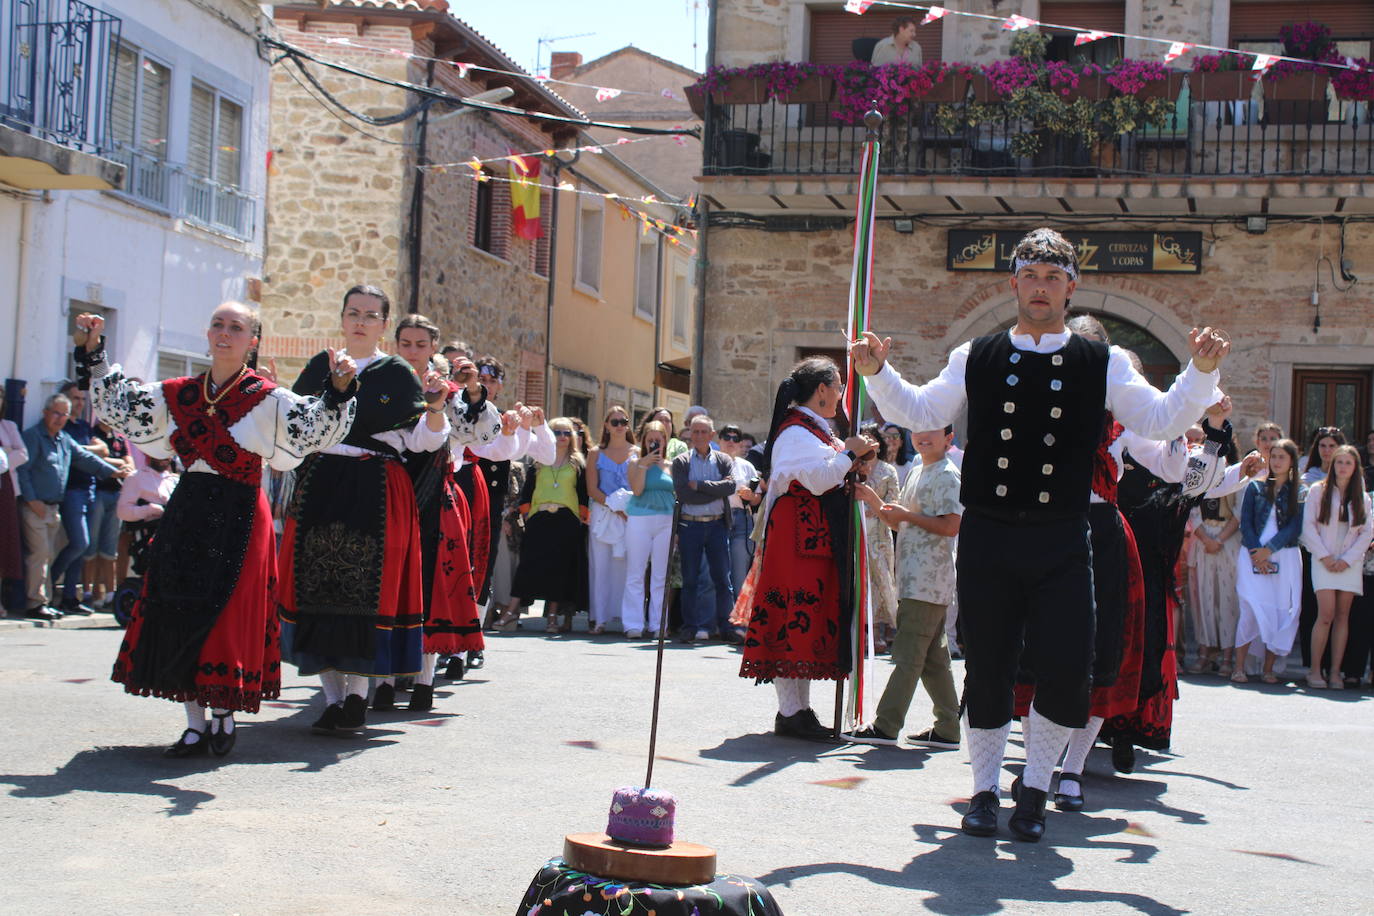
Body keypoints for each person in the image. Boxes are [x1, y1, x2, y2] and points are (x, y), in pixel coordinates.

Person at [851, 227, 1227, 842]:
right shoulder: (976, 354)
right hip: (990, 533)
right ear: (1014, 284)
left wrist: (1201, 372)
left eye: (1054, 278)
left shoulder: (1100, 362)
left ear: (1070, 288)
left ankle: (1034, 792)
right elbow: (921, 411)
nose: (1042, 288)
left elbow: (1162, 419)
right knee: (991, 666)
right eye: (1032, 276)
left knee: (1064, 667)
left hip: (1061, 534)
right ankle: (982, 792)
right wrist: (876, 371)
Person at [78, 304, 356, 756]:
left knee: (228, 616)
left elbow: (316, 427)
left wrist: (339, 389)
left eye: (236, 327)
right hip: (188, 510)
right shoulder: (178, 394)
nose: (224, 334)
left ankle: (223, 714)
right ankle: (193, 724)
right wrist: (94, 355)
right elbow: (122, 407)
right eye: (218, 325)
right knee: (176, 610)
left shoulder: (268, 398)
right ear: (207, 334)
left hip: (242, 514)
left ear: (253, 341)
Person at [279, 285, 484, 737]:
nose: (361, 321)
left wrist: (434, 411)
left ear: (383, 325)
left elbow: (422, 441)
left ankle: (356, 697)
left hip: (376, 486)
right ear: (342, 318)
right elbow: (297, 426)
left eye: (371, 315)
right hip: (321, 484)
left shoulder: (395, 372)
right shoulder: (320, 366)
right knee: (317, 587)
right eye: (353, 312)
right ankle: (334, 699)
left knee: (368, 591)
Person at [735, 357, 869, 742]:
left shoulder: (816, 430)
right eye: (839, 385)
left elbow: (833, 470)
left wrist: (855, 456)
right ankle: (790, 711)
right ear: (823, 390)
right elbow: (819, 479)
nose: (842, 393)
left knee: (807, 620)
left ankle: (799, 710)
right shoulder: (796, 432)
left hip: (813, 539)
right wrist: (849, 453)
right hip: (795, 539)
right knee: (793, 616)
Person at [387, 314, 504, 710]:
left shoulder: (453, 393)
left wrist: (474, 392)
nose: (414, 351)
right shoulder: (383, 386)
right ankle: (384, 680)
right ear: (397, 345)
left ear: (433, 349)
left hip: (438, 494)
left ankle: (423, 681)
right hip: (390, 492)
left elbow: (484, 435)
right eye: (406, 343)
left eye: (421, 344)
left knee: (434, 586)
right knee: (391, 584)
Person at [844, 424, 962, 750]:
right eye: (919, 432)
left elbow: (952, 525)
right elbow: (898, 520)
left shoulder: (947, 474)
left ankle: (885, 725)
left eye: (932, 433)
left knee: (908, 655)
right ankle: (949, 727)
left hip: (929, 580)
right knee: (933, 659)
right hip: (913, 578)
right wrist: (870, 497)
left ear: (948, 438)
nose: (923, 438)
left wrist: (908, 516)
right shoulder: (918, 470)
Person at [17, 394, 129, 620]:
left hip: (52, 507)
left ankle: (45, 600)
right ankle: (35, 603)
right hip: (35, 506)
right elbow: (23, 471)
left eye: (63, 414)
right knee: (40, 554)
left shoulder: (64, 440)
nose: (59, 418)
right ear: (45, 413)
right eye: (56, 413)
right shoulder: (33, 436)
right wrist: (32, 500)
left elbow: (86, 459)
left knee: (48, 554)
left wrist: (113, 472)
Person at [504, 417, 589, 633]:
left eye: (566, 433)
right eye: (557, 432)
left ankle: (552, 616)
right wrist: (528, 517)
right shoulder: (538, 462)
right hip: (539, 518)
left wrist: (580, 520)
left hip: (566, 519)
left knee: (559, 569)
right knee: (527, 565)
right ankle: (512, 611)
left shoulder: (578, 463)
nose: (562, 437)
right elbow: (526, 495)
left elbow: (583, 497)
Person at [1233, 439, 1306, 684]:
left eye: (1281, 457)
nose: (1276, 461)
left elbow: (1295, 526)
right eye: (1273, 456)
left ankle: (1268, 669)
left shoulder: (1299, 492)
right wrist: (1257, 552)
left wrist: (1270, 550)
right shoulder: (1255, 488)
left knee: (1279, 610)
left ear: (1291, 461)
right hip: (1252, 554)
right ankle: (1239, 666)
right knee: (1250, 609)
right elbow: (1247, 522)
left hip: (1284, 555)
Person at [1300, 445, 1372, 689]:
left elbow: (1366, 533)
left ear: (1355, 468)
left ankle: (1334, 672)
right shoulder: (1318, 491)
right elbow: (1308, 527)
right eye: (1339, 462)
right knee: (1326, 615)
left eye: (1348, 463)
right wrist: (1325, 557)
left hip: (1349, 562)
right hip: (1324, 560)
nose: (1343, 467)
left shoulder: (1362, 497)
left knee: (1343, 616)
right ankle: (1315, 670)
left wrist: (1347, 559)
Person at [672, 415, 737, 643]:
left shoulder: (722, 460)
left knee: (723, 580)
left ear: (712, 435)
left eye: (703, 432)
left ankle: (726, 627)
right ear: (690, 434)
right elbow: (683, 493)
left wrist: (699, 485)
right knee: (690, 580)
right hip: (690, 525)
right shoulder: (681, 461)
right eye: (695, 432)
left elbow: (729, 487)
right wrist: (713, 490)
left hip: (717, 524)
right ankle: (690, 627)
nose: (698, 436)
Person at [621, 420, 677, 638]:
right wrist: (644, 464)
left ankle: (658, 624)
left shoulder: (672, 466)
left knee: (661, 575)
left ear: (665, 440)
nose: (655, 443)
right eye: (651, 439)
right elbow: (637, 490)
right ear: (643, 440)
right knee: (636, 572)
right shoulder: (635, 462)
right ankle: (633, 623)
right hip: (639, 519)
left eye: (659, 439)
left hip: (666, 519)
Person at [586, 405, 635, 635]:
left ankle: (628, 618)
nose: (619, 426)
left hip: (630, 515)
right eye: (614, 422)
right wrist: (614, 505)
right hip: (603, 513)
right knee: (601, 566)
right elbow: (591, 488)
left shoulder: (637, 452)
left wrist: (626, 507)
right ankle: (600, 619)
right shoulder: (596, 452)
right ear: (606, 425)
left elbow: (639, 484)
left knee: (627, 567)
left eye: (623, 421)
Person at [853, 425, 899, 651]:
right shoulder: (851, 468)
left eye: (870, 439)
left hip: (879, 532)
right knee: (859, 579)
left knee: (881, 578)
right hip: (857, 530)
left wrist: (875, 507)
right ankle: (864, 630)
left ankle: (885, 626)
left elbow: (894, 501)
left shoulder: (888, 470)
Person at [83, 418, 132, 608]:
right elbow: (95, 460)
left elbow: (130, 464)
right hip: (97, 492)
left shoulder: (120, 437)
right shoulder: (92, 434)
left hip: (115, 493)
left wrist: (117, 463)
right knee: (91, 545)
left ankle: (109, 594)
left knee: (109, 547)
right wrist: (119, 463)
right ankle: (89, 593)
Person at [719, 422, 760, 622]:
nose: (731, 441)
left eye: (736, 438)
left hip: (742, 519)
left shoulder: (747, 466)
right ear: (719, 440)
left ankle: (739, 623)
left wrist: (750, 496)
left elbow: (758, 498)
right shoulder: (712, 462)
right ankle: (715, 623)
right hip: (717, 518)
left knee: (739, 573)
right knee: (713, 574)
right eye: (727, 437)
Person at [0, 385, 28, 602]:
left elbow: (22, 453)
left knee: (4, 543)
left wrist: (2, 462)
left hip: (6, 490)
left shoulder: (8, 426)